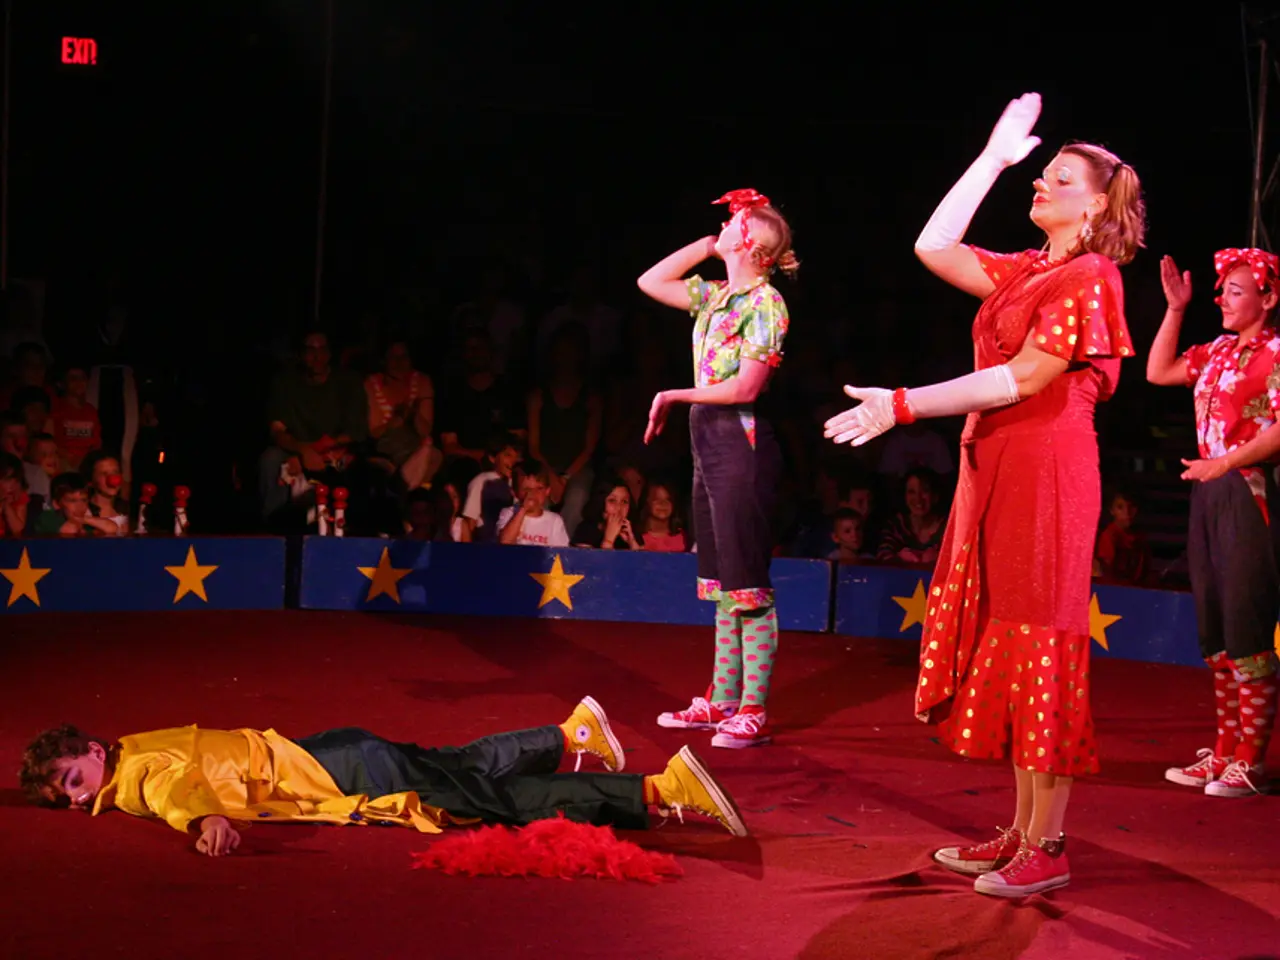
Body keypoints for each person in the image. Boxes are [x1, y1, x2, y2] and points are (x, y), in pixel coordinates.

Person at [824, 93, 1145, 897]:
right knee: (1010, 640)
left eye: (1059, 177)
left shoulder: (1092, 275)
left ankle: (1050, 845)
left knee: (1043, 647)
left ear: (1095, 204)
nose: (1041, 182)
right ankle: (1022, 831)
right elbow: (933, 245)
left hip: (1047, 471)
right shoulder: (1032, 269)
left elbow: (1027, 377)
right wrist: (992, 159)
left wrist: (903, 405)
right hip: (996, 465)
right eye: (1039, 172)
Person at [19, 698, 747, 858]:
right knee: (457, 767)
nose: (78, 797)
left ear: (93, 750)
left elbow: (177, 791)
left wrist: (205, 819)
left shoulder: (136, 774)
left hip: (338, 773)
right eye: (64, 796)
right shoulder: (133, 745)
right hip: (332, 751)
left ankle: (659, 790)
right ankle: (568, 735)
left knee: (496, 803)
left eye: (72, 779)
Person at [637, 188, 797, 749]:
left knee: (747, 581)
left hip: (740, 442)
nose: (725, 225)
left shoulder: (766, 304)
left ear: (753, 247)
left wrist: (673, 394)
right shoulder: (716, 296)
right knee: (724, 581)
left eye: (734, 223)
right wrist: (710, 245)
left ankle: (753, 708)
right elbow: (650, 281)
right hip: (707, 440)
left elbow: (745, 388)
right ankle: (722, 697)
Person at [1145, 248, 1280, 798]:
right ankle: (1225, 751)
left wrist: (1224, 464)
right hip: (1208, 489)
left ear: (1268, 298)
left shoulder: (1277, 353)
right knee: (1217, 634)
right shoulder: (1217, 351)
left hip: (1250, 492)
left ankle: (1252, 760)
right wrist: (1175, 309)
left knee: (1248, 628)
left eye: (1236, 291)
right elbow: (1157, 372)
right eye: (1222, 290)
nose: (1222, 298)